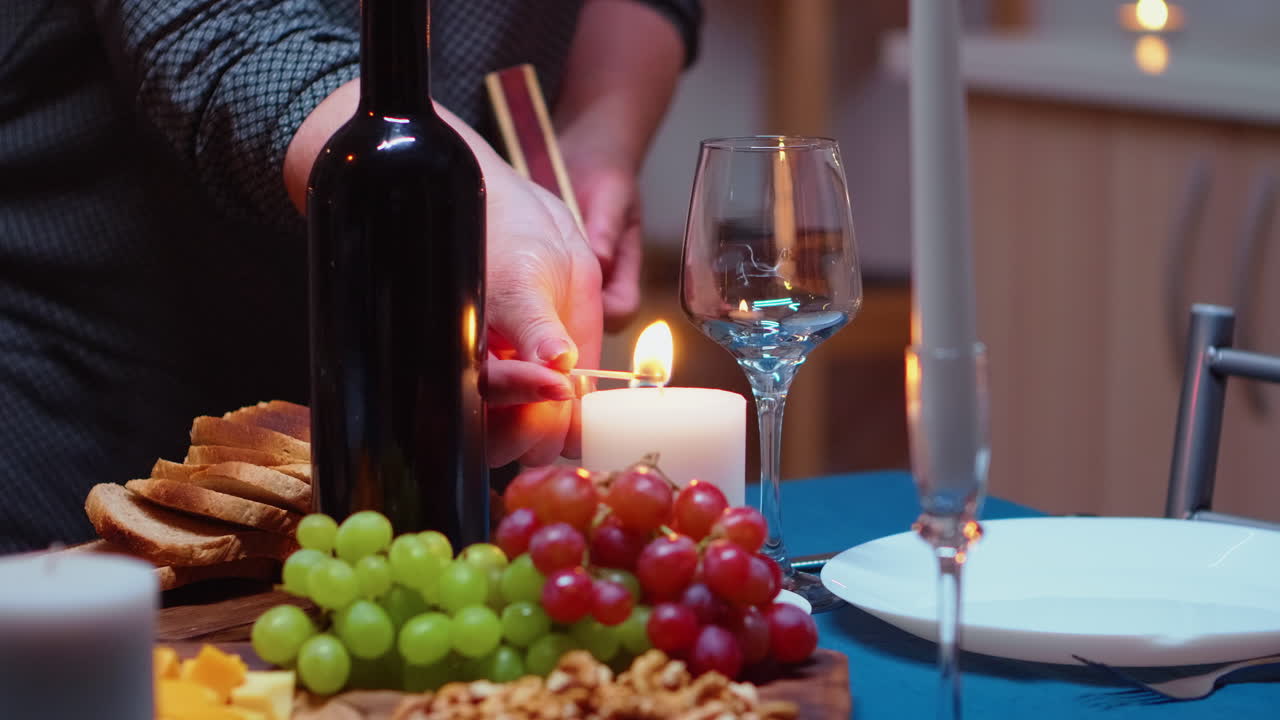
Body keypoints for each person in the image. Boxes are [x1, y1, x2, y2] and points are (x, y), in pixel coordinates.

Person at [0, 0, 699, 553]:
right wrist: (439, 172)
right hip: (97, 345)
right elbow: (215, 23)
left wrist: (598, 132)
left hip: (431, 334)